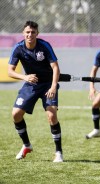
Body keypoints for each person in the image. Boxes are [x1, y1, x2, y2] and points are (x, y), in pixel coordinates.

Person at [8, 21, 63, 162]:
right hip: (31, 84)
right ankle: (26, 145)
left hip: (48, 85)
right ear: (23, 33)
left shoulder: (44, 46)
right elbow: (10, 71)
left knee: (51, 115)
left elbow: (56, 68)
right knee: (16, 114)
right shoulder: (18, 48)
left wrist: (53, 87)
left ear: (37, 33)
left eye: (33, 32)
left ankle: (58, 153)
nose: (30, 35)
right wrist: (25, 77)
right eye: (27, 32)